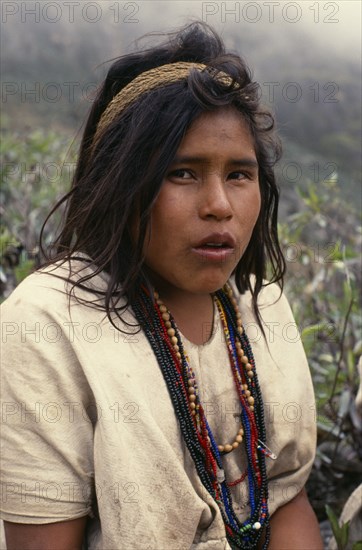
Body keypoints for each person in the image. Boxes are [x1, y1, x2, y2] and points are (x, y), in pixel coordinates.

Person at [0, 22, 323, 550]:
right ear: (120, 185)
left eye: (239, 174)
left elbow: (286, 500)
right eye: (182, 173)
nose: (219, 204)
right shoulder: (44, 328)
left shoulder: (260, 306)